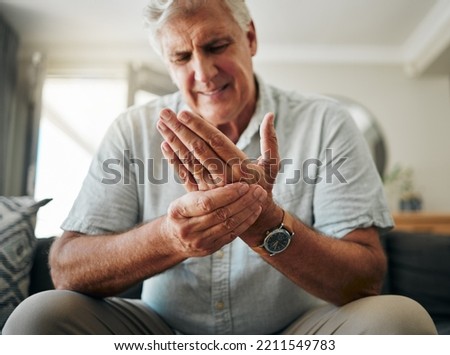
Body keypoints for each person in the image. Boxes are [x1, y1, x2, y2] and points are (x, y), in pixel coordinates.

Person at [3, 0, 437, 335]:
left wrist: (264, 223)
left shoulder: (326, 122)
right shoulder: (133, 128)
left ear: (249, 38)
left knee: (402, 322)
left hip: (298, 335)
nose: (203, 72)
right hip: (161, 333)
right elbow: (66, 268)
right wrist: (170, 238)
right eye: (181, 57)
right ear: (168, 63)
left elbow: (366, 277)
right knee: (39, 316)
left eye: (216, 46)